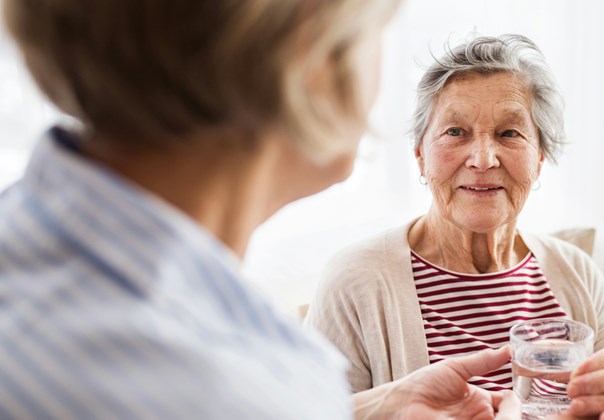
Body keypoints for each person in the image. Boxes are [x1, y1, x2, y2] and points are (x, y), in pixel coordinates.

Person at [0, 1, 520, 419]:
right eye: (376, 25)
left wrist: (367, 409)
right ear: (312, 49)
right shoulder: (233, 385)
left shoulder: (26, 234)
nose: (482, 157)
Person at [305, 35, 604, 420]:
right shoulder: (356, 279)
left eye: (509, 133)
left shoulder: (576, 271)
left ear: (539, 158)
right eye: (456, 132)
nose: (483, 159)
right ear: (420, 155)